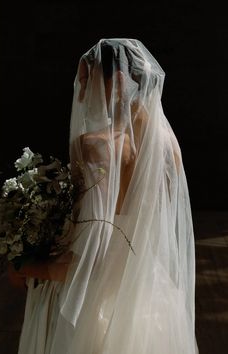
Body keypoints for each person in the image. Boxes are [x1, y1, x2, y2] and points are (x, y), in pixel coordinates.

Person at [15, 38, 199, 353]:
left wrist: (27, 266)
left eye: (87, 78)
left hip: (94, 298)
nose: (81, 89)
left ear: (115, 81)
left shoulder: (93, 146)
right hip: (148, 293)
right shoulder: (168, 145)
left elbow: (90, 251)